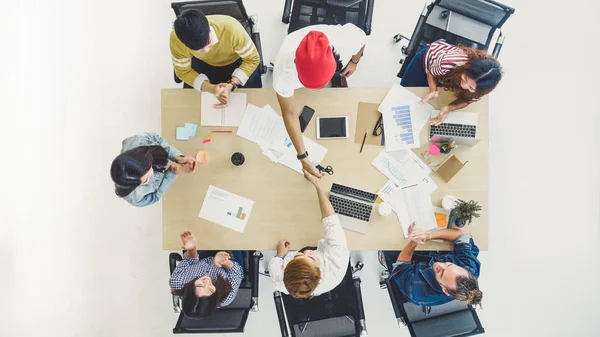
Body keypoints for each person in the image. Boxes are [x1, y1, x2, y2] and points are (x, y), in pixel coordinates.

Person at [272, 24, 367, 178]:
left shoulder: (345, 40)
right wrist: (303, 157)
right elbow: (289, 112)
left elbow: (362, 41)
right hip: (294, 48)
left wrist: (354, 61)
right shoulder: (283, 67)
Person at [268, 169, 349, 298]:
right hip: (329, 251)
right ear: (319, 272)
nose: (307, 252)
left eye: (297, 256)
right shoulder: (337, 261)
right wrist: (317, 184)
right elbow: (331, 221)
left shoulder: (281, 280)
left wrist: (280, 255)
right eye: (310, 257)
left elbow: (274, 264)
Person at [400, 39, 503, 126]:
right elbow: (432, 72)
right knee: (405, 92)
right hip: (429, 61)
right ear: (467, 68)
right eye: (465, 78)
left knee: (434, 105)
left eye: (471, 88)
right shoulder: (448, 63)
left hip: (447, 74)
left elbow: (468, 100)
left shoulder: (481, 88)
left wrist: (449, 107)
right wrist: (433, 90)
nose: (464, 85)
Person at [171, 9, 261, 107]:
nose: (206, 51)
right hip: (203, 62)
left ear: (209, 28)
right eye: (198, 49)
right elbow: (183, 72)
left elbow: (253, 59)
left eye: (208, 43)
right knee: (193, 106)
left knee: (252, 101)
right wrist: (211, 88)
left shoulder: (231, 28)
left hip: (235, 60)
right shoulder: (176, 39)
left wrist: (232, 84)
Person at [383, 223, 483, 306]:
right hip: (433, 249)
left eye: (441, 273)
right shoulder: (470, 268)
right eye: (449, 265)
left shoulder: (417, 291)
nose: (440, 265)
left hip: (407, 257)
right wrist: (427, 236)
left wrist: (414, 241)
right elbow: (461, 235)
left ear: (445, 291)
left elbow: (401, 264)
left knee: (386, 237)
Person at [110, 132, 196, 207]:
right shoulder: (134, 198)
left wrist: (178, 157)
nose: (148, 181)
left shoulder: (137, 141)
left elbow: (159, 141)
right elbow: (155, 197)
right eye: (144, 182)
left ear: (146, 161)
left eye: (146, 177)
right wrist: (173, 173)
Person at [170, 231, 244, 317]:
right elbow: (237, 272)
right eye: (211, 289)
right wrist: (224, 261)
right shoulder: (227, 297)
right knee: (230, 233)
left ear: (189, 288)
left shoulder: (177, 282)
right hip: (227, 261)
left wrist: (192, 248)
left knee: (202, 228)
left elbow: (189, 261)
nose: (207, 281)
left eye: (200, 285)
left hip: (201, 257)